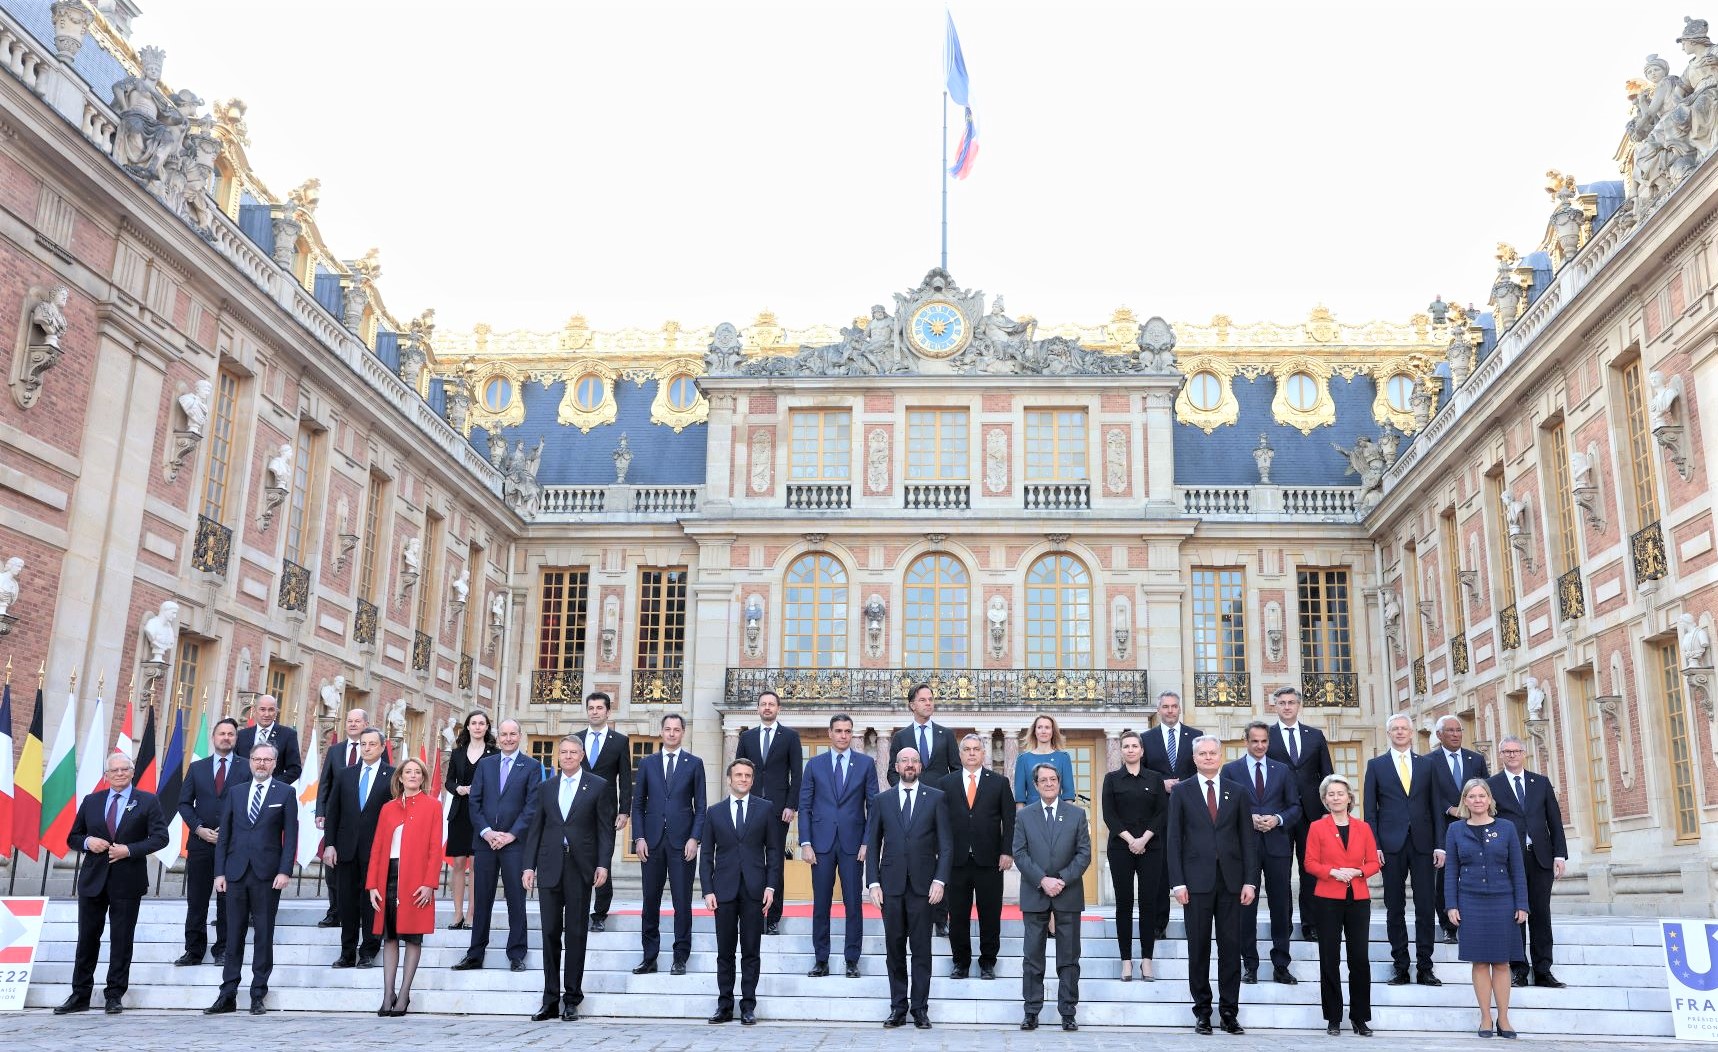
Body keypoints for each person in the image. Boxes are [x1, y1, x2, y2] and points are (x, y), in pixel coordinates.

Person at [56, 753, 169, 1014]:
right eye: (113, 770)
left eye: (123, 769)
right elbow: (73, 836)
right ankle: (80, 995)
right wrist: (88, 843)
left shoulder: (148, 801)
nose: (118, 774)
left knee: (121, 939)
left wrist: (129, 850)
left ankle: (114, 995)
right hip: (93, 881)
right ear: (106, 776)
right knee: (86, 938)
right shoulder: (92, 801)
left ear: (132, 772)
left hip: (127, 881)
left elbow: (161, 838)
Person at [1168, 736, 1260, 1035]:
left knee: (1231, 947)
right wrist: (1177, 883)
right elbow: (1174, 841)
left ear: (1221, 756)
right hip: (1195, 884)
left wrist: (1250, 881)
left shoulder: (1239, 792)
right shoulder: (1182, 792)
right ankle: (1203, 1012)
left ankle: (1229, 1012)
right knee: (1198, 948)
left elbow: (1248, 840)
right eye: (1202, 753)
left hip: (1232, 882)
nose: (1208, 757)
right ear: (1194, 758)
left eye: (1212, 753)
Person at [523, 735, 615, 1023]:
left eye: (573, 752)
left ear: (582, 754)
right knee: (549, 932)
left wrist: (603, 864)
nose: (568, 756)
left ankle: (572, 998)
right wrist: (528, 866)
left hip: (580, 867)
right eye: (563, 752)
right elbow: (535, 828)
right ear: (557, 755)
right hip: (549, 866)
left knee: (576, 933)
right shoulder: (546, 787)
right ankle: (550, 999)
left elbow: (604, 830)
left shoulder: (598, 786)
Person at [205, 743, 298, 1015]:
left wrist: (285, 871)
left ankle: (258, 993)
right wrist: (219, 872)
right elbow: (225, 836)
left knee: (263, 935)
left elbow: (290, 836)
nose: (261, 764)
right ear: (250, 762)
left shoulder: (286, 793)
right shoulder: (236, 792)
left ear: (274, 763)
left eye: (266, 760)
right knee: (233, 935)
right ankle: (228, 994)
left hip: (268, 875)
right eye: (256, 759)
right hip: (234, 874)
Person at [867, 747, 952, 1029]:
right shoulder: (882, 800)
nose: (909, 765)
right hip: (890, 886)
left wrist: (940, 880)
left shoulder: (936, 798)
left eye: (914, 760)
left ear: (921, 766)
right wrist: (873, 882)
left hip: (924, 887)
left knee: (921, 950)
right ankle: (897, 1008)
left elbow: (946, 845)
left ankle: (920, 1009)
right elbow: (873, 843)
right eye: (904, 760)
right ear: (896, 765)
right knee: (894, 949)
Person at [453, 718, 541, 972]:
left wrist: (511, 835)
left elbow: (532, 806)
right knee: (482, 900)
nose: (508, 738)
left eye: (513, 734)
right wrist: (487, 832)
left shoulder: (532, 766)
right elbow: (475, 802)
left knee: (516, 900)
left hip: (515, 845)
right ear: (498, 737)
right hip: (485, 843)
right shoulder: (485, 765)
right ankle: (475, 954)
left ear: (520, 736)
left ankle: (516, 954)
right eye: (504, 734)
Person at [1444, 778, 1529, 1038]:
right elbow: (1451, 870)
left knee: (1502, 962)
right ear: (1465, 801)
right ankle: (1485, 1018)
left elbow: (1517, 868)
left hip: (1503, 901)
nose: (1478, 800)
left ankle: (1504, 1018)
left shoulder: (1507, 827)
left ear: (1490, 800)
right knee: (1480, 963)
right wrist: (1451, 905)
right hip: (1470, 901)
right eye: (1472, 796)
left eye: (1482, 796)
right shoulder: (1455, 830)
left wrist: (1522, 904)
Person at [1364, 713, 1442, 987]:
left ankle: (1425, 967)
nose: (1400, 732)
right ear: (1389, 733)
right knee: (1394, 907)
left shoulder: (1427, 765)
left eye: (1404, 729)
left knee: (1425, 906)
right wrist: (1373, 846)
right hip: (1390, 845)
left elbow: (1436, 807)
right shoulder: (1376, 765)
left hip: (1423, 843)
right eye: (1395, 729)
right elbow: (1369, 812)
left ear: (1411, 733)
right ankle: (1400, 966)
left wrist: (1440, 845)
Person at [1222, 720, 1302, 985]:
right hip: (1244, 848)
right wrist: (1250, 818)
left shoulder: (1283, 770)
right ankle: (1250, 965)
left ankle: (1281, 965)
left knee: (1281, 906)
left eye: (1264, 741)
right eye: (1254, 741)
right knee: (1247, 906)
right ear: (1245, 741)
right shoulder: (1230, 770)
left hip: (1278, 846)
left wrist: (1277, 819)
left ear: (1269, 742)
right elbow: (1225, 809)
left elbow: (1295, 807)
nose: (1259, 746)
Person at [1012, 762, 1091, 1032]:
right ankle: (1031, 1011)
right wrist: (1042, 880)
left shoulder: (1077, 814)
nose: (1048, 783)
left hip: (1068, 893)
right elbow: (1019, 853)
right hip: (1035, 893)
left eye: (1053, 779)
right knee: (1033, 956)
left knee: (1069, 958)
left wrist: (1062, 880)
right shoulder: (1024, 816)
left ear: (1060, 783)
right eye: (1043, 780)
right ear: (1035, 785)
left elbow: (1084, 853)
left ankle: (1068, 1011)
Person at [799, 712, 878, 978]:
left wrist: (868, 841)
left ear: (852, 734)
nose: (843, 735)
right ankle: (821, 959)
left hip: (853, 846)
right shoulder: (814, 765)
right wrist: (806, 842)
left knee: (853, 904)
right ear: (830, 733)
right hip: (820, 845)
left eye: (847, 731)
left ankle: (851, 960)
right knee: (821, 904)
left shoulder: (866, 765)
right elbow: (805, 805)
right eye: (839, 731)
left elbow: (873, 807)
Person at [701, 757, 779, 1026]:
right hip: (722, 890)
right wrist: (707, 890)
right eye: (738, 775)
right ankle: (724, 1005)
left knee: (750, 951)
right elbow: (706, 854)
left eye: (748, 775)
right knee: (724, 951)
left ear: (752, 780)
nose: (743, 779)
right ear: (729, 779)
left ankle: (748, 1005)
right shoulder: (715, 812)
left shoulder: (766, 809)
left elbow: (774, 851)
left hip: (755, 890)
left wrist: (771, 886)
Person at [364, 757, 442, 1017]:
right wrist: (372, 884)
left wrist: (430, 883)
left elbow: (435, 848)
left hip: (417, 879)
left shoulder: (433, 806)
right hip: (388, 875)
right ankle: (388, 994)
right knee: (390, 936)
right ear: (399, 777)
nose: (412, 776)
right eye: (407, 772)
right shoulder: (388, 808)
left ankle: (404, 994)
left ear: (422, 777)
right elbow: (376, 847)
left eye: (417, 772)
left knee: (412, 936)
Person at [1488, 736, 1568, 989]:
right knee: (1515, 914)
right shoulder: (1492, 785)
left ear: (1524, 753)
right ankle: (1519, 969)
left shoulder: (1540, 783)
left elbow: (1554, 820)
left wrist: (1559, 854)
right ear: (1500, 755)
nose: (1512, 755)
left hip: (1541, 857)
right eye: (1507, 751)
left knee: (1541, 913)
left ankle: (1543, 970)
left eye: (1516, 751)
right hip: (1510, 859)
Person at [631, 713, 705, 975]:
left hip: (682, 843)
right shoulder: (647, 763)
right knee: (650, 900)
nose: (672, 733)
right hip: (650, 843)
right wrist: (638, 837)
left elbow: (701, 807)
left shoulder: (694, 764)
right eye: (668, 729)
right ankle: (649, 957)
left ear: (683, 732)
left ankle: (680, 957)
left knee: (682, 902)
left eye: (676, 729)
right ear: (661, 732)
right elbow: (637, 804)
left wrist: (695, 838)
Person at [1305, 774, 1379, 1036]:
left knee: (1359, 959)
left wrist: (1357, 872)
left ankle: (1360, 1018)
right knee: (1329, 958)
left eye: (1340, 793)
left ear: (1349, 798)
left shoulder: (1364, 828)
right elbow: (1310, 862)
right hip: (1327, 898)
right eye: (1331, 794)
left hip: (1358, 899)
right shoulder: (1317, 827)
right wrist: (1334, 872)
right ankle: (1333, 1017)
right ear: (1325, 800)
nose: (1336, 798)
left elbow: (1373, 862)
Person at [938, 732, 1014, 980]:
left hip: (990, 860)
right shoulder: (945, 783)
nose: (971, 753)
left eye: (976, 749)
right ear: (960, 755)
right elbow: (939, 822)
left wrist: (1007, 851)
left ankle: (987, 963)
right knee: (957, 915)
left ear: (983, 753)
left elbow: (1010, 820)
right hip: (956, 861)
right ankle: (960, 963)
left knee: (990, 914)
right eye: (967, 749)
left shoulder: (999, 782)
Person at [888, 683, 959, 937]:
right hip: (910, 811)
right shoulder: (900, 737)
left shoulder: (946, 735)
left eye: (931, 699)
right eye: (923, 699)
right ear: (912, 705)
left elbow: (956, 772)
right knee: (913, 861)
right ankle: (911, 917)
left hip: (940, 809)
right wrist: (908, 793)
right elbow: (890, 772)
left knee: (941, 861)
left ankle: (941, 919)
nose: (928, 703)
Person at [1266, 686, 1334, 941]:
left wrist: (1329, 811)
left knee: (1310, 871)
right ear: (1275, 706)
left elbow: (1327, 775)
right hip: (1279, 814)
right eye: (1282, 702)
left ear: (1298, 705)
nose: (1286, 706)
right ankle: (1284, 924)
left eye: (1291, 702)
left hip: (1312, 814)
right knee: (1280, 873)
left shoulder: (1315, 736)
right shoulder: (1267, 736)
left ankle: (1311, 924)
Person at [322, 727, 393, 969]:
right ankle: (347, 952)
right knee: (347, 902)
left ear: (383, 747)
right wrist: (330, 844)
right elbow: (333, 812)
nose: (367, 748)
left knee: (371, 902)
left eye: (373, 744)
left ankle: (369, 951)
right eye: (363, 744)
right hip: (346, 850)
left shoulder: (393, 776)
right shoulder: (345, 774)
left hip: (377, 851)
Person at [734, 689, 802, 936]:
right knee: (750, 862)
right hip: (749, 809)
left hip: (777, 811)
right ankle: (751, 914)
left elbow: (797, 775)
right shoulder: (747, 737)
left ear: (778, 708)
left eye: (771, 704)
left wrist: (791, 805)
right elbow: (738, 773)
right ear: (758, 708)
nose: (767, 708)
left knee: (774, 863)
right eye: (763, 704)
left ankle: (773, 918)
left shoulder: (790, 737)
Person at [1101, 729, 1166, 982]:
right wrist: (1131, 840)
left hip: (1151, 847)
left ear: (1141, 750)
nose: (1130, 750)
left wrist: (1144, 839)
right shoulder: (1112, 779)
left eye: (1134, 746)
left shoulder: (1155, 778)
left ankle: (1147, 961)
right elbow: (1109, 815)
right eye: (1125, 746)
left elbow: (1162, 812)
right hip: (1121, 848)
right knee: (1124, 904)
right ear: (1121, 750)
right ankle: (1126, 961)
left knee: (1149, 903)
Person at [177, 717, 239, 967]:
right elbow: (183, 803)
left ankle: (223, 949)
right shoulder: (197, 768)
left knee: (228, 900)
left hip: (233, 845)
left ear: (236, 739)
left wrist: (230, 828)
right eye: (222, 733)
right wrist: (199, 828)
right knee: (197, 899)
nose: (226, 737)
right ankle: (193, 950)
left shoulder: (246, 768)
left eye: (231, 734)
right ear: (213, 738)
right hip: (201, 843)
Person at [1143, 690, 1200, 939]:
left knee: (1192, 867)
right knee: (1159, 871)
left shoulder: (1196, 737)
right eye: (1165, 706)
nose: (1169, 711)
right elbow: (1141, 776)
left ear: (1180, 709)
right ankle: (1158, 925)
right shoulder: (1146, 738)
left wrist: (1183, 785)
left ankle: (1195, 922)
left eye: (1174, 706)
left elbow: (1204, 770)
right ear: (1159, 710)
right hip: (1157, 813)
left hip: (1191, 813)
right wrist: (1161, 784)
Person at [1430, 715, 1488, 944]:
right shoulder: (1428, 761)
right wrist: (1450, 809)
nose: (1455, 734)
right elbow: (1428, 793)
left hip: (1474, 827)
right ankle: (1448, 927)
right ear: (1439, 735)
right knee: (1444, 878)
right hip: (1443, 827)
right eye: (1450, 731)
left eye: (1458, 730)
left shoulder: (1476, 759)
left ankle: (1474, 921)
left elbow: (1485, 788)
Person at [580, 691, 631, 933]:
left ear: (607, 711)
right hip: (577, 812)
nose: (595, 711)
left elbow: (626, 778)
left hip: (606, 812)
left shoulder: (620, 741)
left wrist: (624, 810)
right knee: (577, 859)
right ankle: (577, 908)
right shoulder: (576, 739)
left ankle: (599, 913)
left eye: (599, 708)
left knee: (603, 859)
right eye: (591, 707)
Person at [314, 707, 369, 928]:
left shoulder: (374, 749)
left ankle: (355, 911)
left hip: (363, 819)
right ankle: (334, 910)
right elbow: (325, 782)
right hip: (336, 817)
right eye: (349, 721)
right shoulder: (335, 751)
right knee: (331, 865)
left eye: (357, 721)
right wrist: (320, 811)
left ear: (366, 724)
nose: (352, 724)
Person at [443, 709, 497, 930]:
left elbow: (497, 782)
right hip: (460, 811)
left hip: (482, 813)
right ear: (467, 727)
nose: (477, 727)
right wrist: (459, 788)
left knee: (475, 864)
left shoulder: (494, 753)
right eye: (473, 723)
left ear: (486, 727)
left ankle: (472, 913)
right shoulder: (457, 753)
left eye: (481, 723)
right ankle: (457, 913)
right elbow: (448, 782)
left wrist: (480, 789)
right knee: (457, 863)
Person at [233, 694, 302, 785]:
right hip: (244, 791)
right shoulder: (242, 735)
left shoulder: (288, 735)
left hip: (273, 794)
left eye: (271, 710)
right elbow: (234, 764)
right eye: (262, 709)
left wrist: (273, 785)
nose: (267, 714)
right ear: (254, 711)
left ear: (276, 712)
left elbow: (295, 769)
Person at [1012, 714, 1075, 806]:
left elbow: (1068, 794)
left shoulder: (1063, 757)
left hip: (1058, 811)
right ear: (1034, 731)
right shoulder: (1023, 759)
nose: (1043, 731)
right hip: (1031, 812)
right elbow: (1020, 797)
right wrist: (1020, 819)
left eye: (1047, 727)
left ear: (1053, 731)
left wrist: (1069, 818)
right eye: (1039, 727)